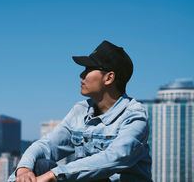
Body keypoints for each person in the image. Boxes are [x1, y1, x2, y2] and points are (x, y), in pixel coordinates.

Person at [8, 41, 152, 182]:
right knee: (39, 165)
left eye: (88, 69)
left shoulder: (134, 116)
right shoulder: (81, 110)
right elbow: (46, 145)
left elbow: (115, 157)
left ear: (109, 78)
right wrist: (24, 169)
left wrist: (54, 175)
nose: (81, 75)